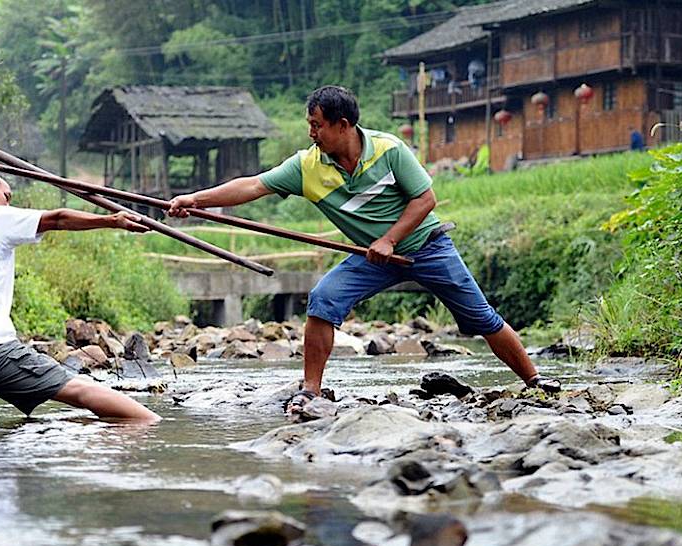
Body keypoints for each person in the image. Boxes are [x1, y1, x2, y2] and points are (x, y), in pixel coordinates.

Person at [168, 85, 559, 407]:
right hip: (372, 257)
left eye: (317, 125)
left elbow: (425, 199)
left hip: (428, 247)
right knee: (323, 299)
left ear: (343, 125)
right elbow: (254, 185)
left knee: (482, 318)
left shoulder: (390, 150)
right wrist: (195, 200)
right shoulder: (307, 166)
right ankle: (311, 390)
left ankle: (535, 382)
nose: (311, 134)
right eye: (309, 125)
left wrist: (390, 239)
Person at [0, 125, 161, 423]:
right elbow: (59, 218)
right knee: (81, 391)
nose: (8, 202)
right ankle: (152, 425)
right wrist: (112, 220)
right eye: (6, 195)